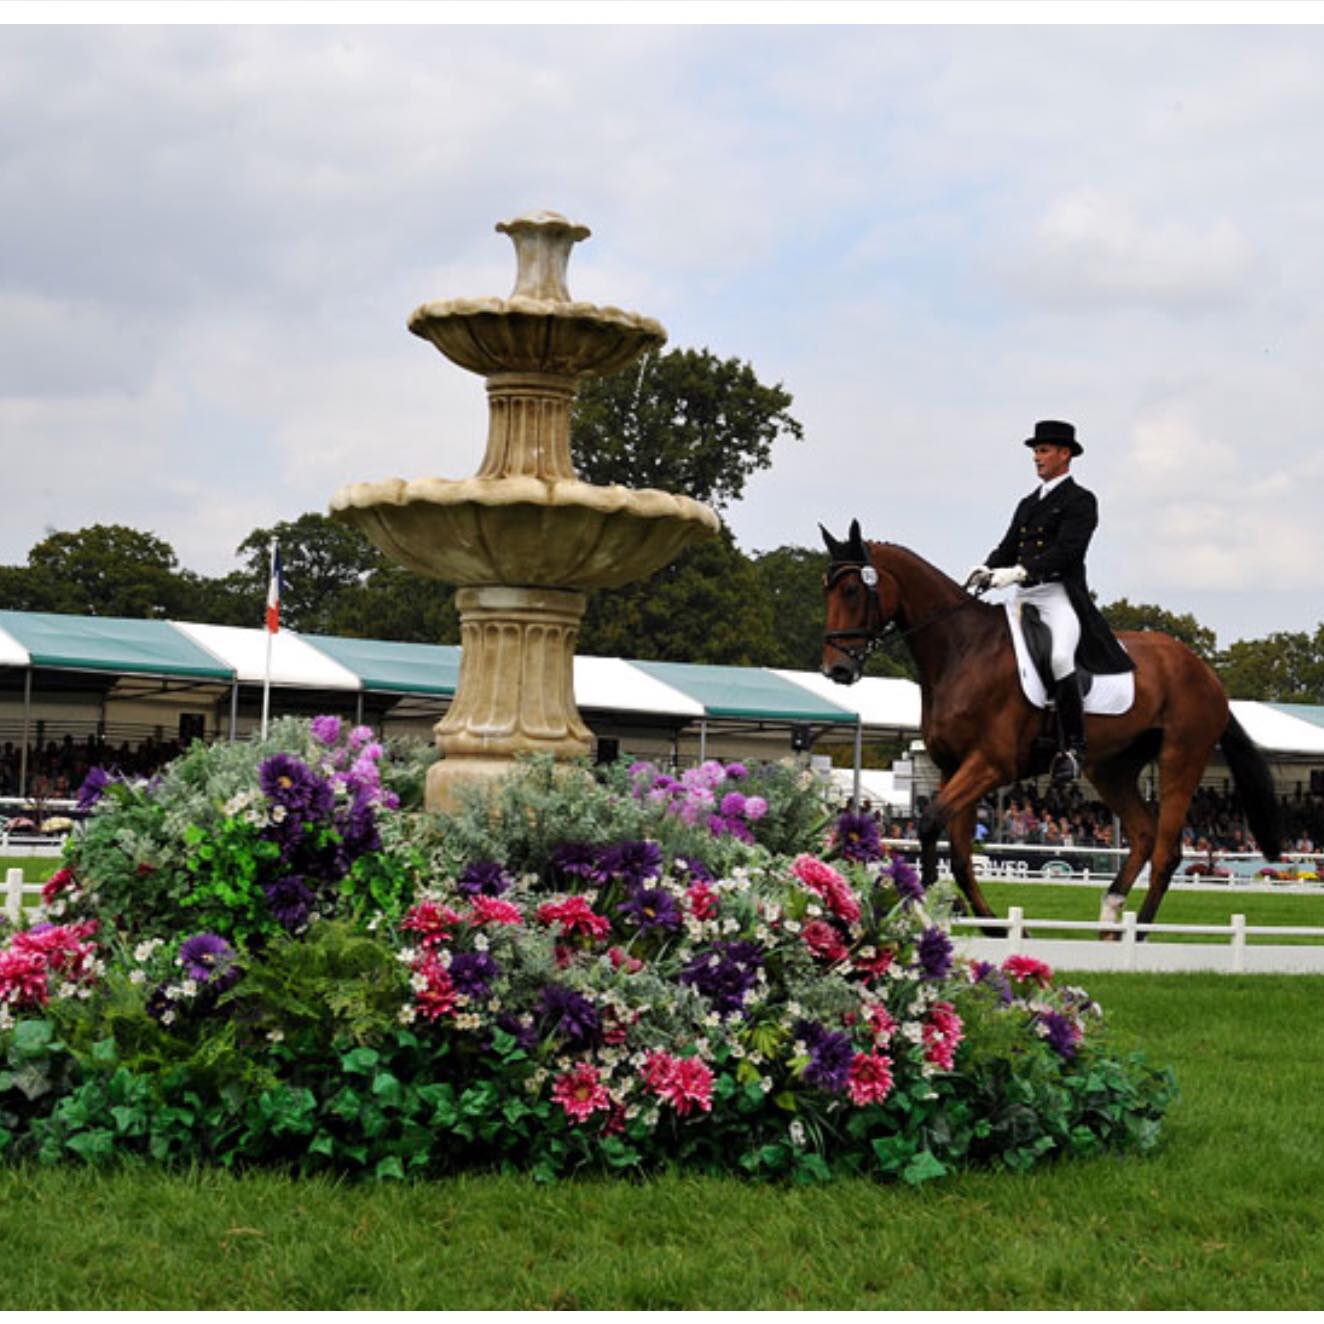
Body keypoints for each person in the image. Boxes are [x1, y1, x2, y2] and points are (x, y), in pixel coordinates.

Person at [966, 419, 1134, 786]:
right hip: (1023, 597)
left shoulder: (1081, 501)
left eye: (1043, 451)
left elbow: (1067, 552)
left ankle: (1073, 748)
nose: (1037, 458)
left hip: (1058, 596)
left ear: (1064, 454)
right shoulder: (1028, 503)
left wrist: (1019, 572)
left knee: (1059, 657)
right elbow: (1008, 546)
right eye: (1035, 452)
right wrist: (988, 567)